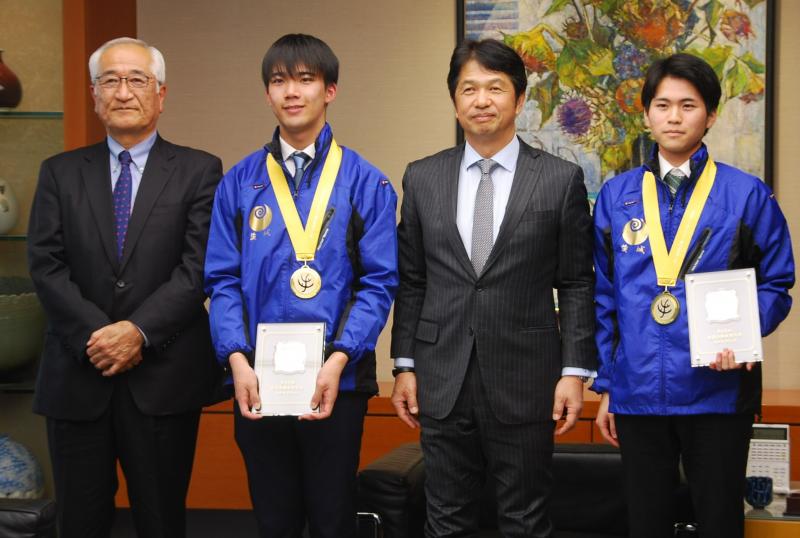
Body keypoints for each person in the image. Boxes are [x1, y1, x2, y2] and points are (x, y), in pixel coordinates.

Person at [390, 38, 597, 537]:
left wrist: (574, 371)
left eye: (495, 88)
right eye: (469, 89)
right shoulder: (422, 178)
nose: (481, 100)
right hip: (441, 378)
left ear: (519, 100)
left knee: (525, 519)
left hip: (527, 379)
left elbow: (575, 282)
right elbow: (413, 280)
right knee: (446, 519)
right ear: (455, 101)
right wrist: (404, 364)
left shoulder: (559, 180)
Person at [592, 53, 795, 538]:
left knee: (721, 521)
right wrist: (607, 385)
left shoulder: (746, 194)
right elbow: (602, 295)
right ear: (646, 114)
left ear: (711, 115)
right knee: (645, 523)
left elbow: (777, 283)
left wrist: (746, 334)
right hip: (639, 393)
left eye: (689, 105)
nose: (675, 116)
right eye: (663, 105)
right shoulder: (615, 197)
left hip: (718, 392)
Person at [27, 37, 223, 538]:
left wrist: (137, 331)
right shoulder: (60, 173)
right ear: (94, 95)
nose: (123, 91)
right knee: (79, 522)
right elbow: (46, 266)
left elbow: (198, 266)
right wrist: (101, 336)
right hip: (77, 376)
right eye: (110, 80)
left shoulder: (200, 171)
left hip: (163, 378)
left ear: (161, 94)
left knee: (161, 521)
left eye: (137, 79)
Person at [204, 33, 398, 538]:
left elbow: (379, 283)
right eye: (279, 80)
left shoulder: (366, 182)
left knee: (333, 518)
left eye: (305, 79)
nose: (292, 91)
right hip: (256, 384)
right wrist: (236, 359)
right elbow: (221, 280)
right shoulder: (240, 182)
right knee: (274, 519)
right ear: (267, 94)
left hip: (337, 381)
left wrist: (340, 358)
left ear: (329, 90)